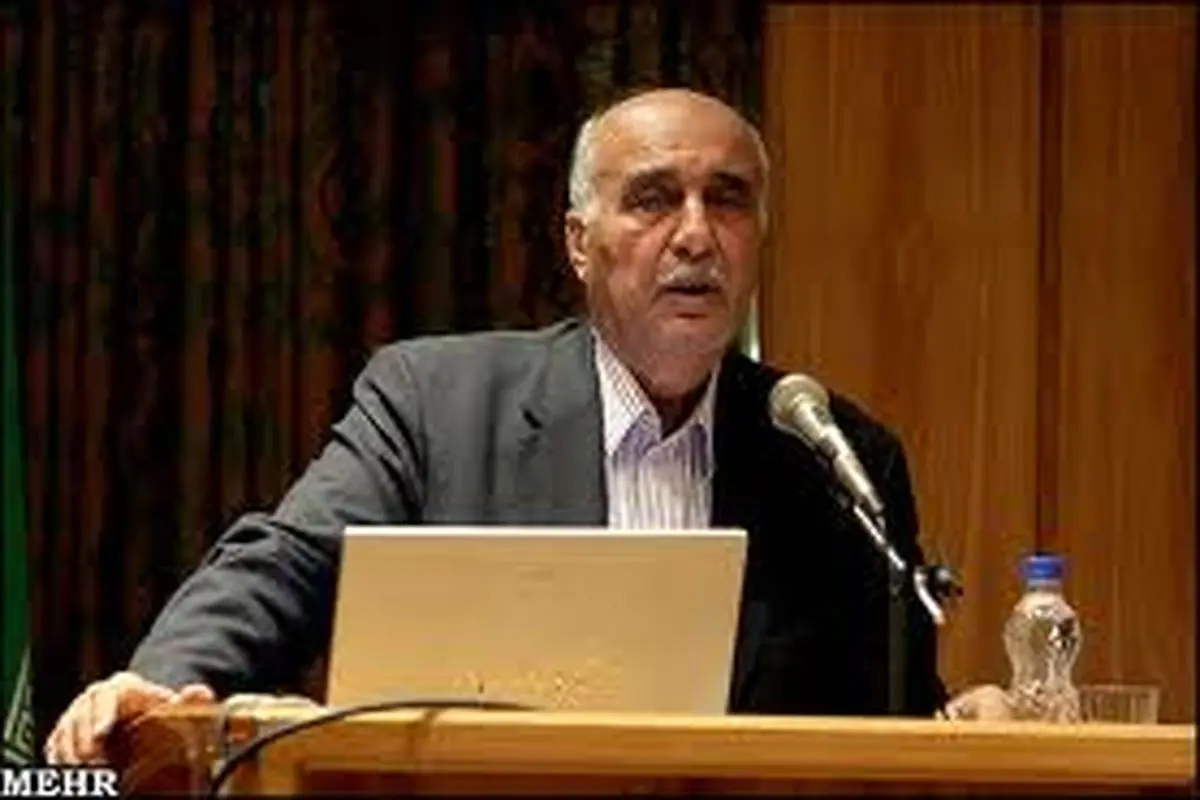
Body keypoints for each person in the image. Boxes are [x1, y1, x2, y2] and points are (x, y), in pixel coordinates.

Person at [44, 87, 1003, 766]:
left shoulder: (834, 453)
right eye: (654, 198)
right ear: (580, 243)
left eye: (729, 199)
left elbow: (888, 719)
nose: (696, 234)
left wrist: (972, 720)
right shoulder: (438, 403)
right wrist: (165, 678)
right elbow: (285, 559)